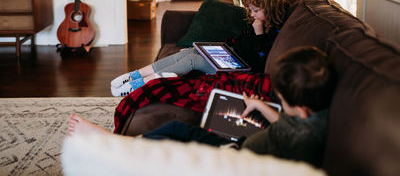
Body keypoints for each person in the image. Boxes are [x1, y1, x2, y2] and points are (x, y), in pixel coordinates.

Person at [68, 46, 337, 168]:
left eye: (282, 98)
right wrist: (260, 105)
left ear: (301, 111)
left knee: (174, 142)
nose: (278, 99)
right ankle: (123, 142)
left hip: (233, 154)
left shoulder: (304, 140)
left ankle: (114, 147)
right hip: (240, 148)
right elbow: (283, 121)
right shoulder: (312, 118)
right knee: (175, 127)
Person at [110, 0, 290, 97]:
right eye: (250, 9)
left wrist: (258, 34)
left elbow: (260, 61)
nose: (252, 14)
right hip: (230, 57)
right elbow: (241, 43)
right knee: (187, 52)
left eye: (255, 11)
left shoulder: (274, 32)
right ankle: (133, 76)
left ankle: (138, 86)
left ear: (270, 6)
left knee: (191, 61)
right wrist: (219, 48)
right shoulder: (257, 22)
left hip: (240, 70)